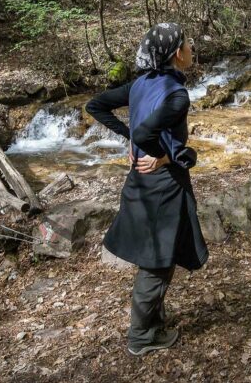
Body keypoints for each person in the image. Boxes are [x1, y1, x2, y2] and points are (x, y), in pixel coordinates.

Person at [85, 22, 208, 356]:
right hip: (162, 187)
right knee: (157, 262)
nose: (191, 47)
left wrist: (134, 141)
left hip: (140, 183)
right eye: (186, 43)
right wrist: (160, 155)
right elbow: (144, 135)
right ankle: (140, 337)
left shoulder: (142, 83)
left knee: (160, 255)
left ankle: (154, 323)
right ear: (175, 53)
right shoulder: (177, 95)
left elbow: (96, 105)